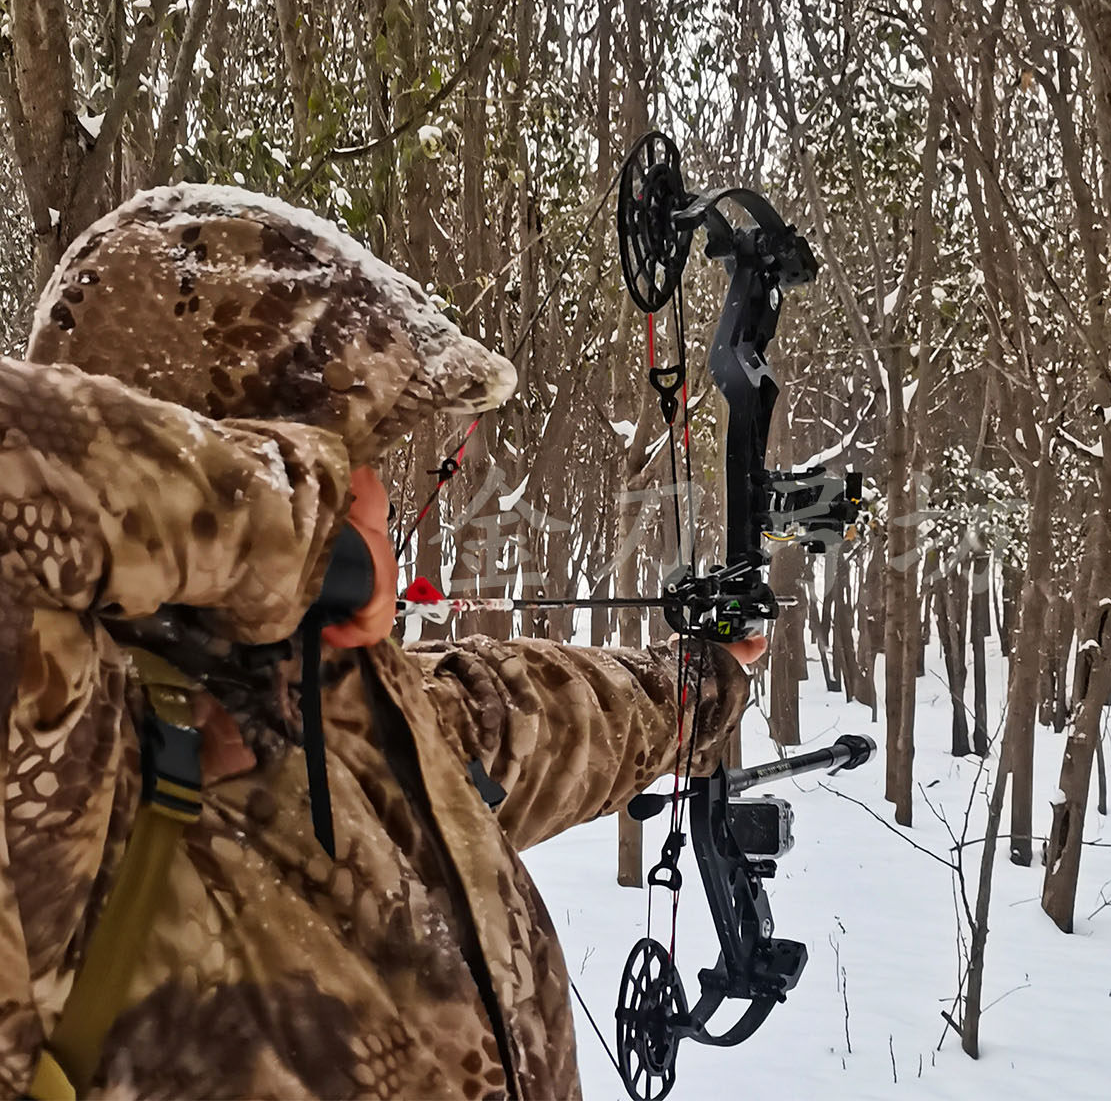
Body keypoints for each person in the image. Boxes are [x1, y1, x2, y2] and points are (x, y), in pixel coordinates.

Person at [0, 184, 758, 1101]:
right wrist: (291, 525)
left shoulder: (375, 723)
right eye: (343, 457)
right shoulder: (65, 766)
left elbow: (540, 716)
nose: (371, 493)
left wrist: (709, 679)